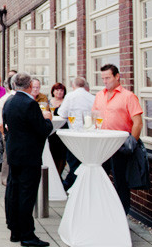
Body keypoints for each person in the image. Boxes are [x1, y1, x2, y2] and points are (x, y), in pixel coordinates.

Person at [2, 72, 53, 247]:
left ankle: (14, 230)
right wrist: (48, 120)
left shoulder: (9, 102)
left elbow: (7, 127)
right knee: (27, 194)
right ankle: (27, 234)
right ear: (30, 85)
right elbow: (42, 129)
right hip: (29, 155)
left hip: (14, 153)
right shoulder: (30, 104)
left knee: (14, 192)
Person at [92, 64, 143, 214]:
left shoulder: (128, 96)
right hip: (102, 145)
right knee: (99, 179)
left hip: (121, 146)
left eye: (108, 78)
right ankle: (103, 213)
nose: (105, 81)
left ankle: (121, 216)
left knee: (121, 182)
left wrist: (131, 144)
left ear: (117, 76)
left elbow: (138, 123)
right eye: (103, 78)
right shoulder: (99, 96)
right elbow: (95, 117)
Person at [57, 77, 96, 190]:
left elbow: (62, 113)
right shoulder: (92, 97)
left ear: (73, 86)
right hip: (89, 134)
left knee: (73, 162)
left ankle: (72, 186)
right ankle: (83, 186)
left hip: (74, 134)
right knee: (85, 161)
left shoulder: (70, 96)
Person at [0, 73, 17, 186]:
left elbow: (0, 122)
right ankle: (6, 178)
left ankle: (7, 179)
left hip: (9, 133)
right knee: (7, 156)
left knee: (8, 156)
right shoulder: (6, 99)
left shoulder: (4, 99)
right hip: (10, 133)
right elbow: (0, 122)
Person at [47, 82, 68, 175]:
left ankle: (59, 173)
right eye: (57, 90)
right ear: (53, 91)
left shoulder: (66, 102)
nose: (59, 92)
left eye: (61, 90)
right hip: (52, 132)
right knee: (52, 153)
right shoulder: (48, 102)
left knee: (62, 155)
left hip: (62, 131)